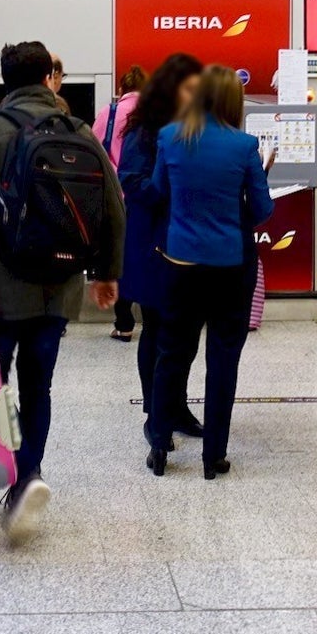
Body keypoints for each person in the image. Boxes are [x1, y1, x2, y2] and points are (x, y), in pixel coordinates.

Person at [0, 41, 126, 538]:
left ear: (5, 80)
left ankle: (5, 469)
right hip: (57, 291)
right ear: (49, 77)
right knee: (38, 385)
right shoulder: (79, 131)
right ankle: (29, 475)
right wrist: (107, 274)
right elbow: (113, 210)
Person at [146, 64, 274, 480]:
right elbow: (262, 210)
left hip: (180, 263)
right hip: (230, 267)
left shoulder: (169, 138)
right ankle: (213, 456)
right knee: (223, 360)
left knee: (173, 353)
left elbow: (159, 192)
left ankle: (161, 445)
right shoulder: (244, 146)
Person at [118, 54, 202, 430]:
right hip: (152, 243)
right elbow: (132, 183)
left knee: (185, 332)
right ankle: (156, 411)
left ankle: (177, 405)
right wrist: (173, 185)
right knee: (157, 327)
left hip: (187, 243)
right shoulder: (144, 131)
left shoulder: (194, 129)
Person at [96, 64, 148, 340]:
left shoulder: (109, 113)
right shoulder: (156, 115)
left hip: (115, 197)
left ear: (121, 89)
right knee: (148, 253)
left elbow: (93, 153)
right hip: (146, 196)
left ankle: (124, 323)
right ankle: (152, 318)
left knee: (118, 256)